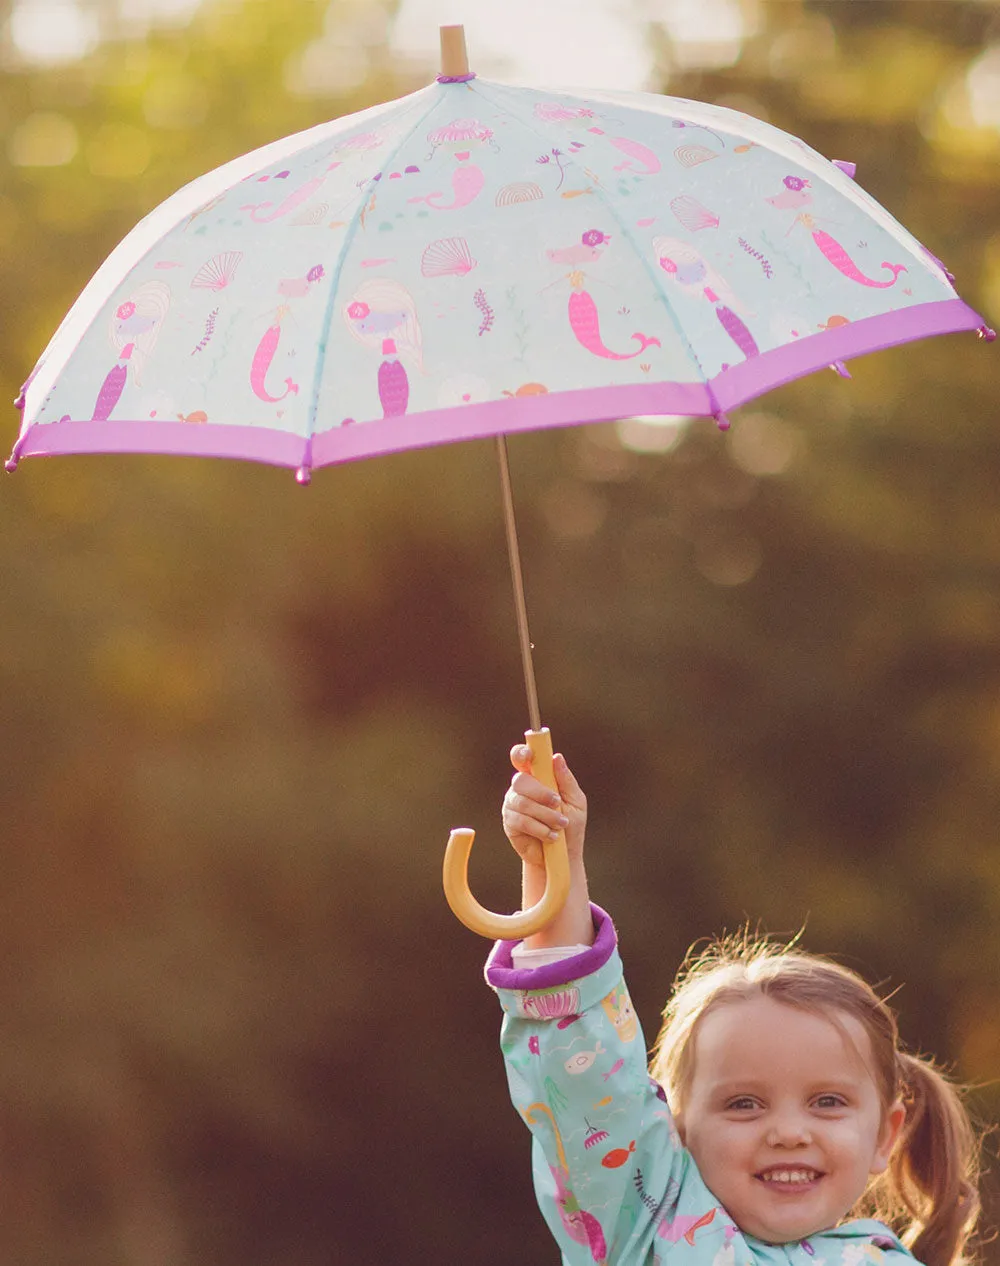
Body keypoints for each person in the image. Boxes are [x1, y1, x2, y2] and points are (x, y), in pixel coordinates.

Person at [485, 742, 982, 1266]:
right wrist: (551, 865)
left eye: (828, 1102)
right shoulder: (646, 1230)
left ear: (885, 1134)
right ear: (674, 1128)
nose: (789, 1133)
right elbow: (585, 1076)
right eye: (743, 1103)